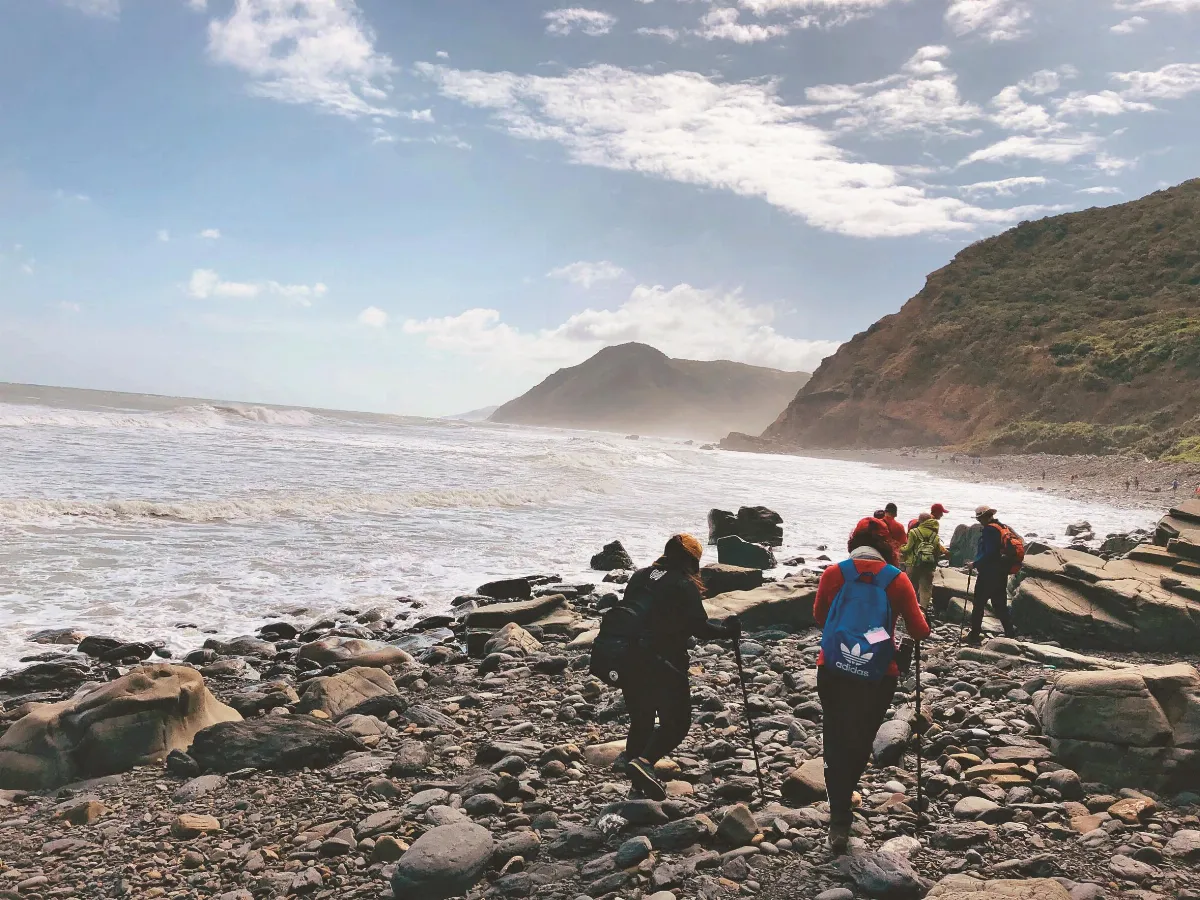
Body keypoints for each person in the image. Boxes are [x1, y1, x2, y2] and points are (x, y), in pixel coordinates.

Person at [814, 517, 929, 854]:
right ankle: (848, 790)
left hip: (833, 667)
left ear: (854, 542)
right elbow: (919, 631)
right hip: (879, 672)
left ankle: (839, 817)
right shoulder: (897, 579)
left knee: (835, 735)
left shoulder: (835, 573)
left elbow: (821, 618)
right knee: (862, 737)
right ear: (887, 547)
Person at [613, 533, 740, 800]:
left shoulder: (640, 576)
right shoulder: (683, 585)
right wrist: (726, 630)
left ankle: (638, 786)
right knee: (677, 724)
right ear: (691, 562)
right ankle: (644, 762)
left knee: (641, 721)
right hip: (665, 663)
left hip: (628, 658)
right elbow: (701, 628)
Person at [964, 505, 1017, 644]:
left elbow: (990, 552)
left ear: (984, 517)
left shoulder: (989, 530)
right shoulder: (1001, 526)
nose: (979, 521)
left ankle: (974, 635)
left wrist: (974, 564)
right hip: (1001, 572)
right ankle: (1010, 632)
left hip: (988, 573)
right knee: (999, 604)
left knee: (979, 603)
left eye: (980, 518)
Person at [901, 504, 949, 613]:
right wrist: (941, 555)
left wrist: (900, 549)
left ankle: (909, 609)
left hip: (913, 562)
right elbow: (936, 549)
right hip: (928, 564)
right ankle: (923, 611)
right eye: (941, 512)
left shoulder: (914, 530)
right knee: (926, 588)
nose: (942, 515)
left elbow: (908, 547)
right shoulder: (934, 532)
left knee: (911, 586)